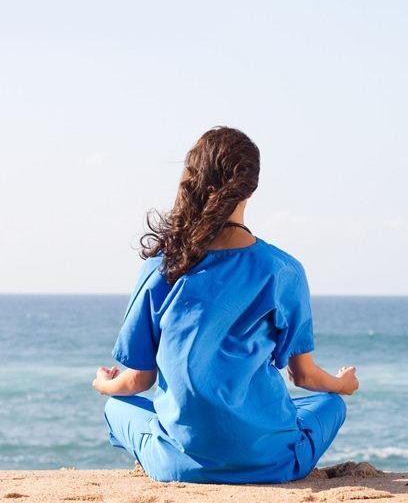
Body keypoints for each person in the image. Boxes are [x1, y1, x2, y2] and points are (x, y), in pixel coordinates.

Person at [92, 126, 359, 483]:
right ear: (252, 186)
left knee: (117, 407)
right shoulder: (283, 270)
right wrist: (342, 384)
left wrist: (104, 384)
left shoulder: (161, 269)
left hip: (179, 466)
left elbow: (138, 380)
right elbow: (304, 376)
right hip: (271, 464)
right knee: (330, 404)